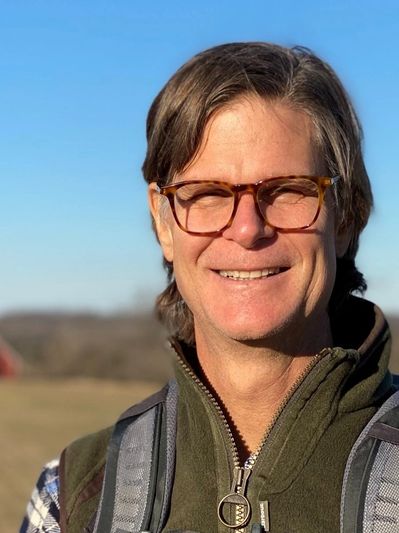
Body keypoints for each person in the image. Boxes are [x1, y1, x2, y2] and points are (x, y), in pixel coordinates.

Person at [21, 42, 395, 533]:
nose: (246, 229)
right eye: (208, 194)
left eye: (287, 191)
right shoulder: (74, 495)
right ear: (162, 221)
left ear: (345, 216)